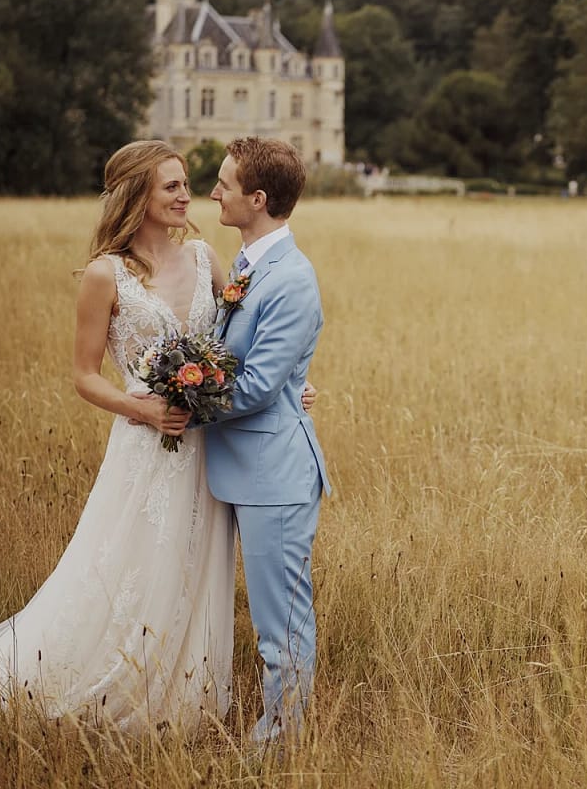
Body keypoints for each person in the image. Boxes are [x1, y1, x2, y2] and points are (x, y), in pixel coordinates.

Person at [0, 140, 313, 731]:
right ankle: (104, 685)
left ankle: (182, 700)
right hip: (146, 448)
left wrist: (287, 389)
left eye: (187, 183)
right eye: (171, 186)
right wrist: (142, 409)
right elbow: (82, 377)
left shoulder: (206, 259)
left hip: (206, 452)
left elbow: (235, 351)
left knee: (193, 571)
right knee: (128, 571)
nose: (188, 194)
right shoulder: (107, 275)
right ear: (137, 197)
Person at [201, 137, 330, 750]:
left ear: (257, 199)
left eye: (224, 184)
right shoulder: (251, 263)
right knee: (270, 617)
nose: (213, 192)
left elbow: (252, 387)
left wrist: (176, 402)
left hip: (275, 474)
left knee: (280, 622)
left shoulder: (292, 279)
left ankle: (282, 738)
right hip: (244, 466)